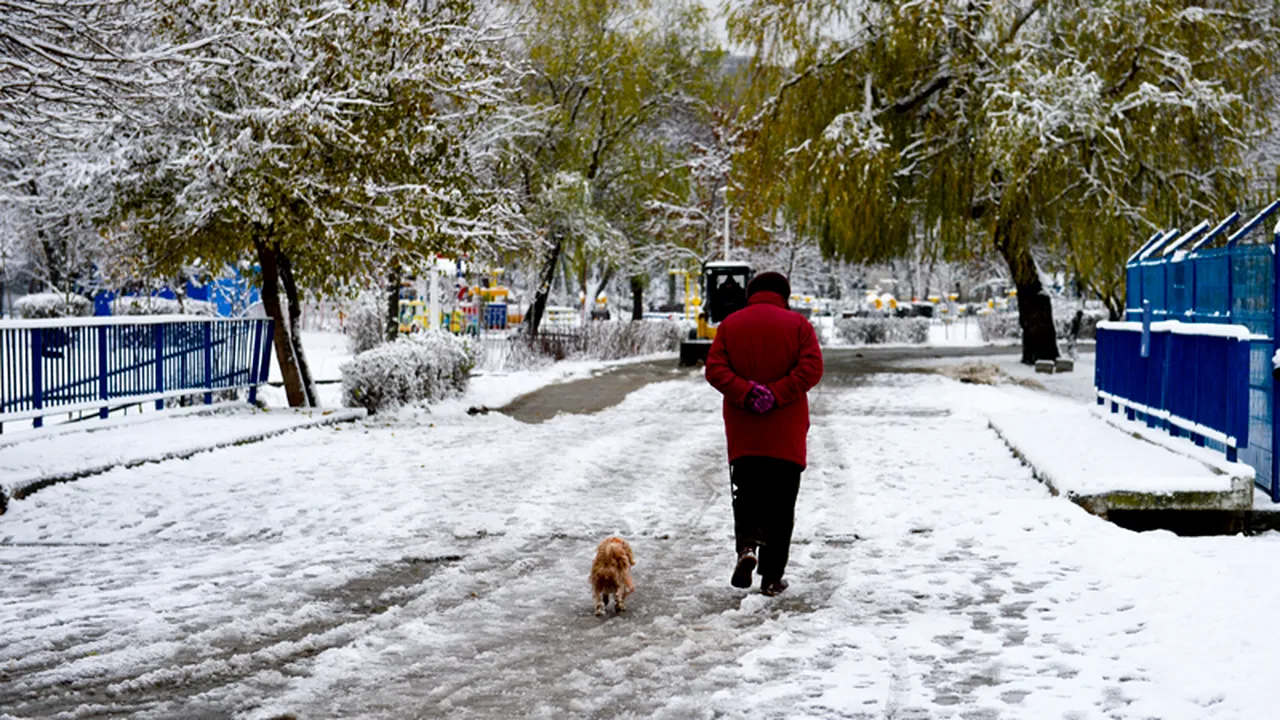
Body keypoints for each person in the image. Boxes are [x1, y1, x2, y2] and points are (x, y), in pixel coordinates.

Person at [704, 272, 823, 596]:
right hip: (785, 431)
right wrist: (777, 393)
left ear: (751, 293)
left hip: (745, 431)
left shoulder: (730, 325)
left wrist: (746, 392)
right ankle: (771, 577)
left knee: (747, 495)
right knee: (781, 505)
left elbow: (715, 369)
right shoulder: (799, 325)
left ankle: (747, 547)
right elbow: (812, 368)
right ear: (784, 295)